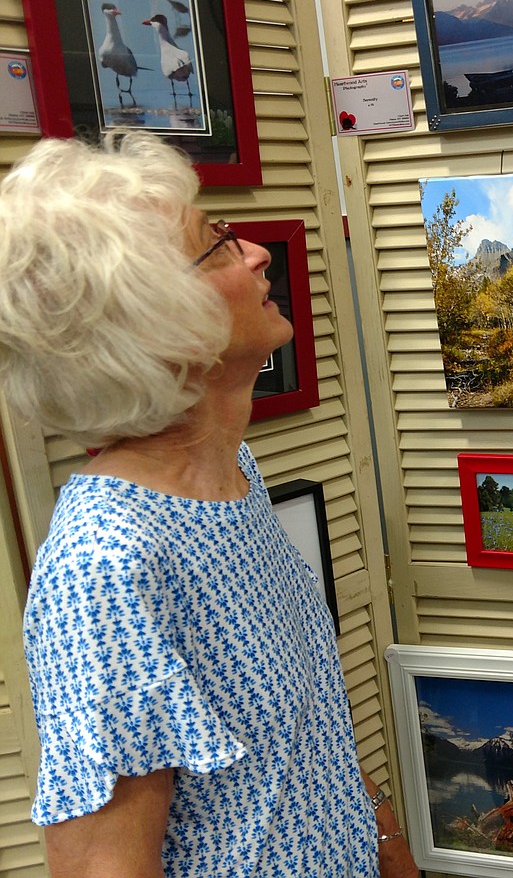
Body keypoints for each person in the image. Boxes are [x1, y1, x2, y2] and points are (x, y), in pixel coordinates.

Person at [0, 133, 418, 878]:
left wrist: (384, 838)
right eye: (217, 245)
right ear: (154, 325)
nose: (255, 251)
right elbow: (106, 867)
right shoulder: (107, 564)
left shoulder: (235, 476)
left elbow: (297, 736)